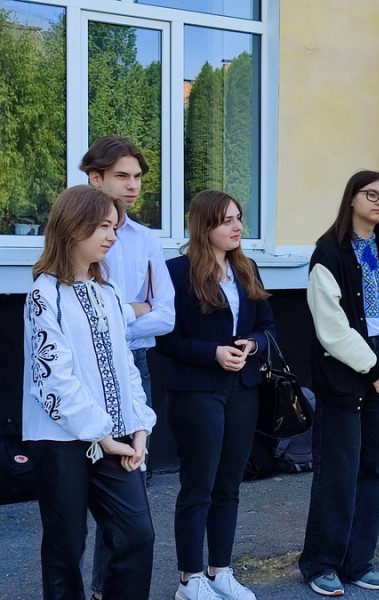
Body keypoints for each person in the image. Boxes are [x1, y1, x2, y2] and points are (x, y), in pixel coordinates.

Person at [23, 185, 156, 599]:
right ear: (72, 226)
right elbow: (53, 380)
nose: (112, 236)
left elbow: (125, 366)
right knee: (66, 547)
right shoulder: (44, 294)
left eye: (114, 227)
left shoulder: (109, 292)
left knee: (137, 534)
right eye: (103, 226)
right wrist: (103, 434)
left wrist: (139, 427)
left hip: (116, 437)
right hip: (61, 441)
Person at [156, 190, 275, 600]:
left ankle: (220, 570)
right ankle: (190, 579)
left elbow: (268, 327)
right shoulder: (176, 271)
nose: (238, 226)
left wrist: (253, 344)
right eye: (227, 220)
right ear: (204, 225)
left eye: (239, 217)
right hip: (196, 391)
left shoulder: (247, 268)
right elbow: (165, 339)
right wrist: (214, 353)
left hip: (243, 389)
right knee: (198, 486)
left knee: (229, 485)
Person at [298, 170, 379, 596]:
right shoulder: (328, 253)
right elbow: (331, 326)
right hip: (345, 373)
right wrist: (373, 368)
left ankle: (358, 560)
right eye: (372, 195)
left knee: (374, 470)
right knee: (338, 472)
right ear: (352, 199)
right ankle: (322, 563)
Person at [80, 135, 175, 600]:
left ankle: (107, 589)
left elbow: (167, 315)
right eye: (122, 175)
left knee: (129, 477)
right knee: (76, 487)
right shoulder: (70, 231)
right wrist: (134, 308)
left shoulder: (146, 239)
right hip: (80, 371)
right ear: (95, 177)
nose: (133, 185)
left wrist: (113, 318)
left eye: (137, 176)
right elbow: (76, 316)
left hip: (133, 365)